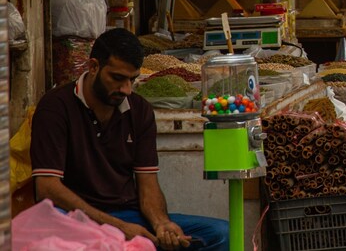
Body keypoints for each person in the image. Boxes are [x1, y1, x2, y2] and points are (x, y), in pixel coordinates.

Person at [31, 29, 229, 250]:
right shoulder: (55, 107)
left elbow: (148, 184)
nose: (126, 89)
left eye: (132, 79)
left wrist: (161, 223)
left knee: (220, 233)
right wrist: (118, 228)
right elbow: (47, 188)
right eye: (117, 78)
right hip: (77, 218)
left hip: (128, 215)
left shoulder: (139, 110)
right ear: (94, 67)